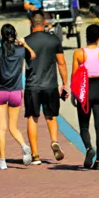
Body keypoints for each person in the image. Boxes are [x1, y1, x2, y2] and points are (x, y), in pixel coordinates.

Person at [0, 24, 35, 170]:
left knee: (1, 128)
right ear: (14, 34)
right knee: (13, 126)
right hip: (16, 92)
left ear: (2, 35)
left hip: (1, 92)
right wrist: (25, 44)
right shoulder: (21, 51)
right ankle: (24, 145)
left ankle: (2, 161)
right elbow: (33, 55)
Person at [23, 12, 69, 164]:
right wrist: (65, 83)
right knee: (51, 116)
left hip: (32, 85)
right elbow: (61, 63)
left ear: (31, 24)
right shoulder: (53, 40)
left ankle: (35, 155)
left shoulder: (26, 42)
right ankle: (54, 141)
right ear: (44, 24)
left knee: (32, 117)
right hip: (50, 85)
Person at [72, 24, 99, 170]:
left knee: (84, 125)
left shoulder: (79, 53)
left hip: (85, 89)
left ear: (86, 36)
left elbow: (75, 75)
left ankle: (88, 148)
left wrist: (74, 94)